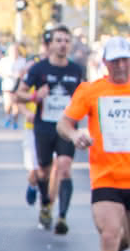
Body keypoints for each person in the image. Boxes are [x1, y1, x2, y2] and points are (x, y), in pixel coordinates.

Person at [57, 37, 130, 251]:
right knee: (111, 233)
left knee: (124, 240)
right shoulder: (91, 91)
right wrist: (76, 137)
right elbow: (64, 123)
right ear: (106, 63)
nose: (122, 66)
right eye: (116, 61)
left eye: (126, 60)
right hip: (106, 178)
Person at [16, 27, 85, 234]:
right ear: (51, 44)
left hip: (67, 127)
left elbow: (83, 96)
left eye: (66, 40)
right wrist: (35, 97)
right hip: (44, 126)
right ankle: (45, 203)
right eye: (58, 40)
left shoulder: (76, 69)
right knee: (43, 171)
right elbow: (19, 94)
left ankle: (62, 216)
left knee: (64, 167)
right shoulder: (39, 69)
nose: (63, 44)